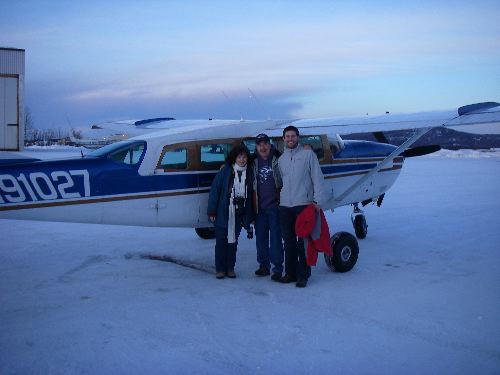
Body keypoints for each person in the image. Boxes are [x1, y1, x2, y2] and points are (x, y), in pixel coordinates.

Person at [278, 125, 327, 288]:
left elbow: (317, 178)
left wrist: (317, 201)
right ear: (283, 139)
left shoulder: (308, 155)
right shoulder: (281, 159)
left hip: (303, 205)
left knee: (303, 243)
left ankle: (303, 275)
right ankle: (290, 273)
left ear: (297, 138)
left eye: (293, 136)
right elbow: (282, 182)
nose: (290, 139)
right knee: (288, 242)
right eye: (287, 136)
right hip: (285, 206)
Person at [207, 144, 254, 279]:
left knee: (233, 242)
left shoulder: (249, 173)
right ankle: (220, 269)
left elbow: (251, 196)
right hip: (224, 213)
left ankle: (230, 268)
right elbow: (215, 192)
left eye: (244, 157)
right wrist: (212, 212)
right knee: (221, 241)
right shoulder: (225, 172)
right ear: (234, 158)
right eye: (239, 157)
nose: (242, 160)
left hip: (239, 214)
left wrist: (250, 216)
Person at [251, 133, 284, 281]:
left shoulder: (279, 159)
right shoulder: (252, 162)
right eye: (259, 144)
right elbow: (236, 163)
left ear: (270, 145)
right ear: (256, 147)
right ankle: (263, 266)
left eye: (265, 143)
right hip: (259, 208)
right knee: (261, 239)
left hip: (275, 207)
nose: (263, 147)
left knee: (276, 239)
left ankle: (277, 269)